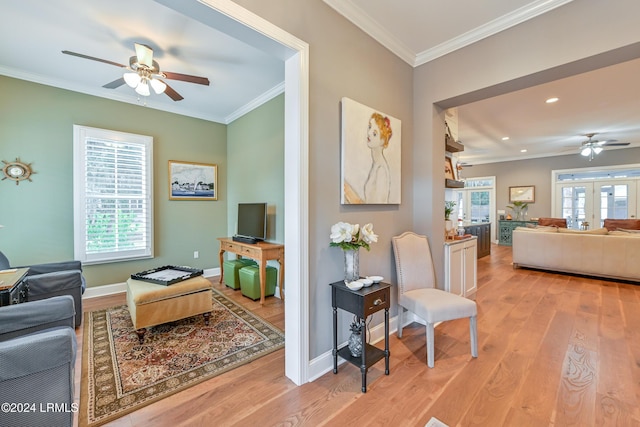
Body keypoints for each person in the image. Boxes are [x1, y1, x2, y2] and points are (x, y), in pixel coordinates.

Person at [363, 112, 393, 203]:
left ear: (383, 141)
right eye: (369, 127)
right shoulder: (375, 165)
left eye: (375, 133)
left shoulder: (381, 170)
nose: (369, 133)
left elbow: (379, 203)